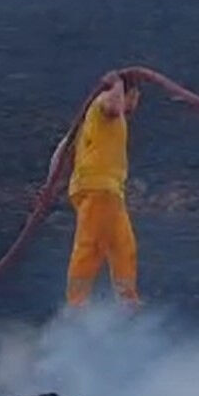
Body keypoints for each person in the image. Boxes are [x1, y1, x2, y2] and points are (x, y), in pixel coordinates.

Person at [61, 70, 141, 308]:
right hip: (99, 187)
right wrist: (117, 84)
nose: (135, 104)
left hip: (108, 190)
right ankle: (76, 305)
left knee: (123, 246)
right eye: (135, 97)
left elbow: (64, 147)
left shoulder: (93, 119)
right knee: (91, 246)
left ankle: (127, 301)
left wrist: (49, 183)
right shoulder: (105, 103)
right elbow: (113, 107)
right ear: (131, 94)